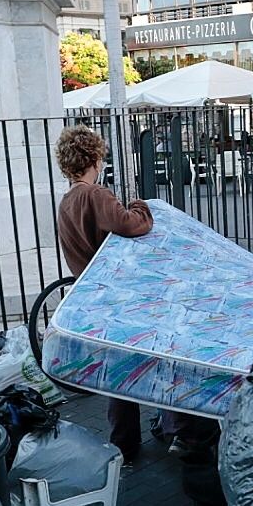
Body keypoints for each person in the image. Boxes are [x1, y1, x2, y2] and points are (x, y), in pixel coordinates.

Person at [55, 126, 154, 463]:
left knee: (117, 372)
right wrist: (141, 206)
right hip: (116, 295)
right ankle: (169, 429)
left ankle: (125, 444)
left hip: (90, 292)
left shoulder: (67, 200)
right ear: (95, 158)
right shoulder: (95, 195)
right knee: (147, 360)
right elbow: (131, 225)